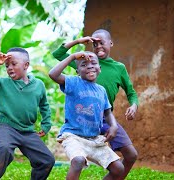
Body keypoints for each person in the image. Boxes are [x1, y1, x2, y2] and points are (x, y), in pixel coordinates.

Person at [52, 29, 139, 179]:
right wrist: (78, 43)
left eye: (102, 43)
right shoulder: (84, 61)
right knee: (78, 159)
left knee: (130, 156)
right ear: (78, 70)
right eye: (95, 44)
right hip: (80, 120)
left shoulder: (118, 68)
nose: (98, 47)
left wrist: (133, 105)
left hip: (104, 118)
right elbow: (57, 55)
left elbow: (130, 93)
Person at [0, 47, 55, 180]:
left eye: (14, 64)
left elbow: (44, 106)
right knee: (5, 148)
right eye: (7, 65)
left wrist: (46, 124)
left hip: (27, 131)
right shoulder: (3, 84)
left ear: (26, 65)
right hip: (6, 126)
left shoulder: (38, 85)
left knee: (47, 160)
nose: (9, 68)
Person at [49, 51, 124, 179]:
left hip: (94, 138)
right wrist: (72, 56)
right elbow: (53, 74)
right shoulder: (73, 82)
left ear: (99, 69)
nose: (89, 66)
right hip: (73, 136)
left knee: (118, 168)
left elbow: (107, 111)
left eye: (93, 63)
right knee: (78, 161)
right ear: (77, 71)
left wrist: (113, 125)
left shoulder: (101, 90)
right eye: (84, 65)